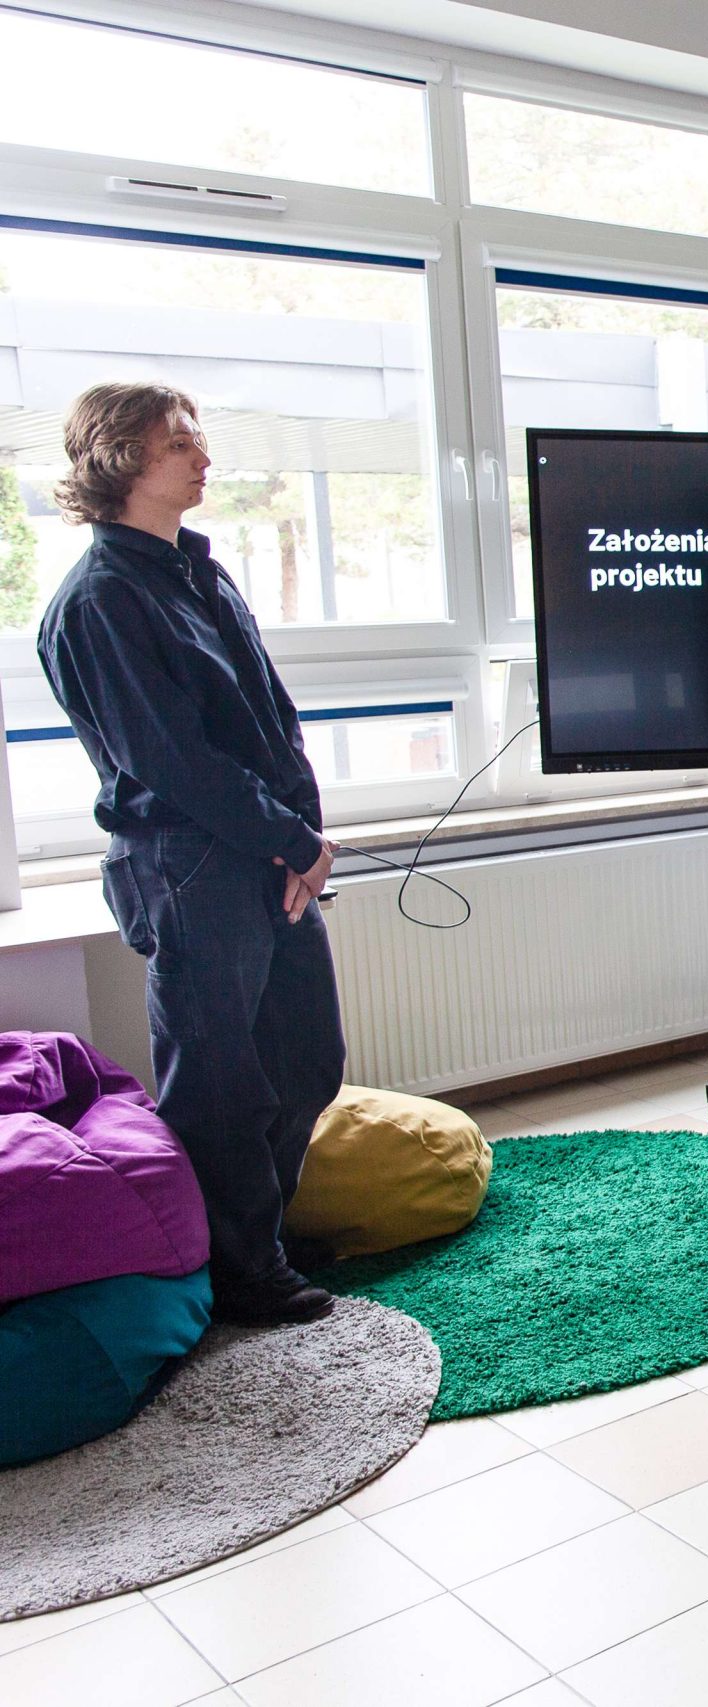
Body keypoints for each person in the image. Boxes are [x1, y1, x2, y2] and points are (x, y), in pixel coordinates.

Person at [38, 382, 345, 1326]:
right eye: (180, 442)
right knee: (220, 1084)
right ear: (121, 457)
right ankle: (240, 1271)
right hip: (189, 866)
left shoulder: (198, 572)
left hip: (267, 854)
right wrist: (291, 838)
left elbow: (269, 719)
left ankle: (258, 1239)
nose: (204, 455)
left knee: (308, 1060)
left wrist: (301, 838)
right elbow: (172, 760)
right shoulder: (100, 600)